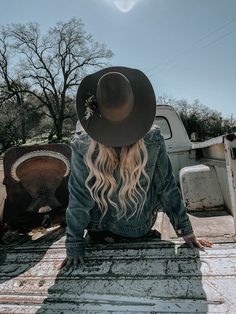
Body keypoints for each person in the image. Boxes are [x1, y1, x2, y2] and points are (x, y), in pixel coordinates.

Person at [60, 66, 213, 271]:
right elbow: (166, 187)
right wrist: (186, 231)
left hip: (97, 230)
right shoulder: (152, 138)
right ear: (136, 107)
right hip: (138, 228)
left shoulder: (82, 145)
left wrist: (74, 245)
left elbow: (80, 198)